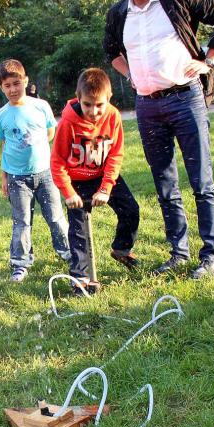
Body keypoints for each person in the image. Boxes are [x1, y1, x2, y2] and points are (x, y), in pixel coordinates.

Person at [104, 0, 214, 279]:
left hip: (185, 99)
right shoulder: (119, 13)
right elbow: (111, 51)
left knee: (201, 182)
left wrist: (209, 60)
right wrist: (130, 74)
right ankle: (178, 253)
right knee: (165, 185)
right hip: (148, 107)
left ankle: (211, 256)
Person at [51, 68, 140, 294]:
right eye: (87, 104)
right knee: (79, 229)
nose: (94, 111)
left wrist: (106, 187)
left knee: (130, 210)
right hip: (77, 181)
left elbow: (115, 154)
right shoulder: (68, 122)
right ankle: (80, 277)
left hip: (103, 175)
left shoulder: (113, 116)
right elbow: (58, 161)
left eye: (99, 105)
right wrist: (69, 192)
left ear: (109, 98)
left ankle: (122, 249)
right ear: (78, 98)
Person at [0, 58, 70, 282]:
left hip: (45, 174)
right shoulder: (1, 115)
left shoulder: (41, 106)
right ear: (1, 88)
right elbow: (5, 144)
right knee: (22, 222)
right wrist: (4, 177)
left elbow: (50, 132)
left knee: (56, 216)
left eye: (16, 83)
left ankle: (67, 251)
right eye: (7, 86)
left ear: (25, 81)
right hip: (17, 179)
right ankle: (20, 263)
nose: (12, 89)